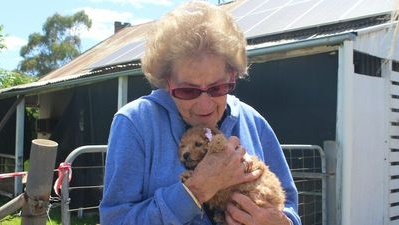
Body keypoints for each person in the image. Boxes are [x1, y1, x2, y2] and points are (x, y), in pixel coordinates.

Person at [99, 1, 301, 225]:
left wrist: (280, 222)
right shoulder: (135, 123)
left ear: (232, 76)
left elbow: (289, 206)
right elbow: (115, 220)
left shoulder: (253, 122)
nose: (205, 106)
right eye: (188, 90)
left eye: (217, 88)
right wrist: (196, 190)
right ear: (167, 82)